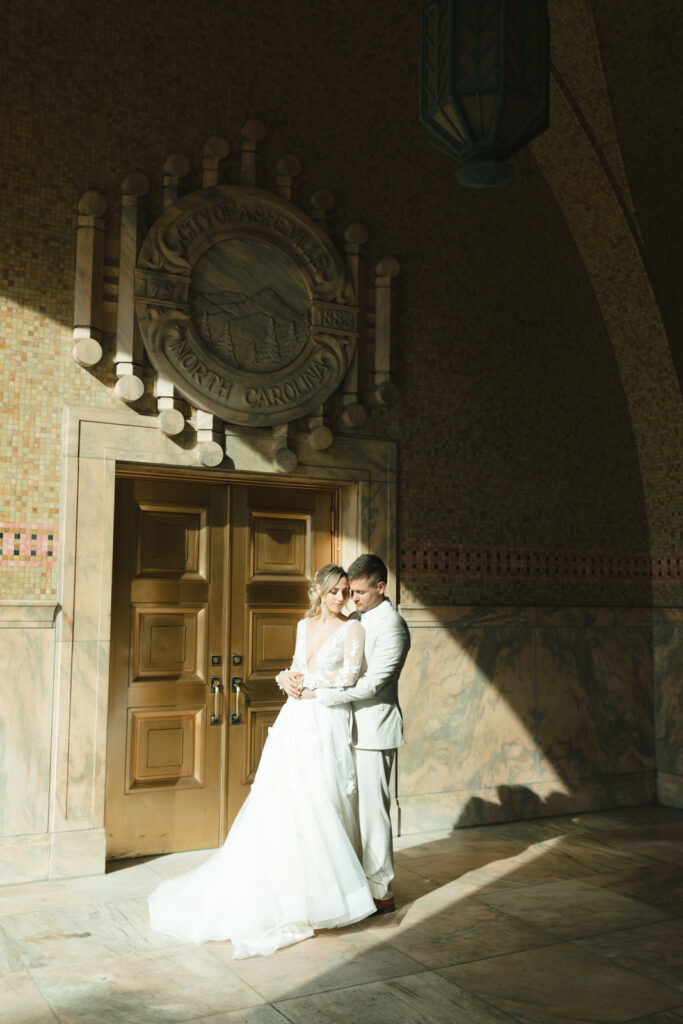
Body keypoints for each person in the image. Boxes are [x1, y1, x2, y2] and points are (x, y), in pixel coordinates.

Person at [148, 564, 375, 958]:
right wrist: (285, 678)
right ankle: (285, 889)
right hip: (294, 719)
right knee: (284, 802)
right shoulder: (304, 627)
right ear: (319, 592)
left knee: (323, 797)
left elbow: (351, 678)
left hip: (326, 718)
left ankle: (323, 891)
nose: (341, 599)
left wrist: (312, 686)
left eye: (346, 592)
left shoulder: (353, 628)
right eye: (334, 591)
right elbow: (294, 665)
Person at [280, 554, 410, 914]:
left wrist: (318, 694)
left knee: (371, 813)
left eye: (357, 592)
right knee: (337, 808)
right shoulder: (355, 619)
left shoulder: (393, 626)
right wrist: (289, 679)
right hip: (336, 727)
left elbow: (371, 683)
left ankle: (380, 889)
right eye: (345, 591)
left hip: (371, 729)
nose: (351, 598)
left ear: (380, 588)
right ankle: (348, 880)